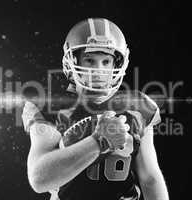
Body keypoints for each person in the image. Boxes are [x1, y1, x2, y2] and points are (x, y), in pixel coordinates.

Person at [22, 18, 169, 200]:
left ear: (117, 63)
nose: (98, 70)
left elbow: (150, 178)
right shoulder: (51, 105)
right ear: (72, 61)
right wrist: (97, 141)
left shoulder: (137, 107)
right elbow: (39, 180)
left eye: (106, 61)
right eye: (90, 60)